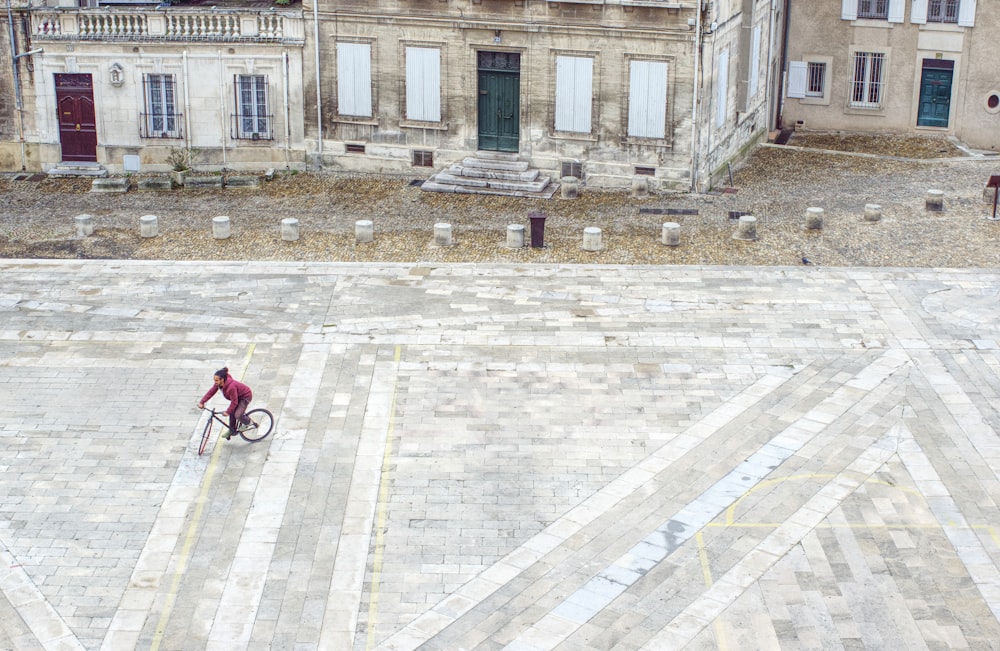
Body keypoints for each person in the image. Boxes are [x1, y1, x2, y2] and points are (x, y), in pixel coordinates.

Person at [198, 367, 253, 440]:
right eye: (214, 380)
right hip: (237, 397)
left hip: (245, 397)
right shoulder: (218, 384)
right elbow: (211, 392)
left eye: (216, 380)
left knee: (237, 414)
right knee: (232, 412)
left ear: (222, 379)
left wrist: (227, 412)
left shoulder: (231, 387)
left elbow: (234, 402)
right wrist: (202, 402)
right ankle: (232, 430)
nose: (215, 382)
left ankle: (248, 423)